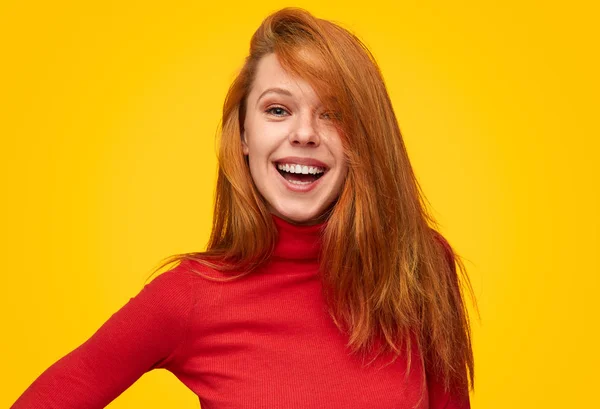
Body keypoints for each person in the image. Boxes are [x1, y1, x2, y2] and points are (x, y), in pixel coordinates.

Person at [11, 7, 475, 409]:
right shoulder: (189, 297)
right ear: (245, 136)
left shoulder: (421, 266)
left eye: (333, 113)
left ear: (365, 139)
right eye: (278, 110)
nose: (305, 133)